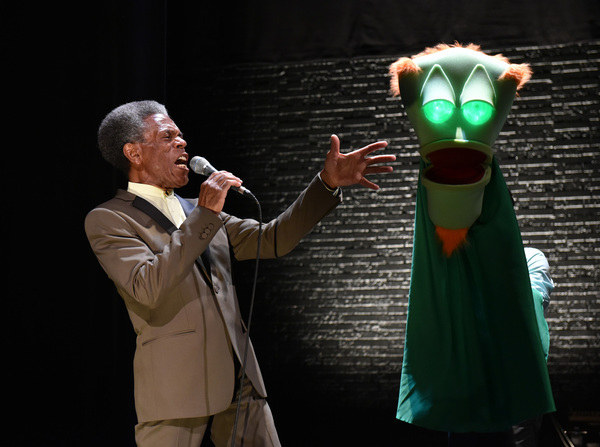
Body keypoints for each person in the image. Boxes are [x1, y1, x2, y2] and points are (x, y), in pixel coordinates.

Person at [85, 100, 396, 447]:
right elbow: (147, 286)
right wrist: (204, 215)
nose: (182, 142)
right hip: (175, 387)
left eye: (181, 135)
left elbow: (273, 239)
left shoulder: (199, 211)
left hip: (240, 381)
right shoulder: (110, 218)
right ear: (134, 153)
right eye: (167, 136)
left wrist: (326, 183)